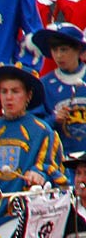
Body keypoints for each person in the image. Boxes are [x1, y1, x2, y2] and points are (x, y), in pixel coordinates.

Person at [0, 65, 67, 223]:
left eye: (15, 91)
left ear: (28, 95)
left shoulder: (43, 132)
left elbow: (59, 177)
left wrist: (39, 173)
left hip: (31, 218)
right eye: (4, 91)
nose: (8, 97)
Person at [37, 24, 86, 157]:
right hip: (62, 161)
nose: (58, 56)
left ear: (78, 49)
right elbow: (34, 128)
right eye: (55, 50)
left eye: (64, 50)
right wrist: (54, 119)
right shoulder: (44, 85)